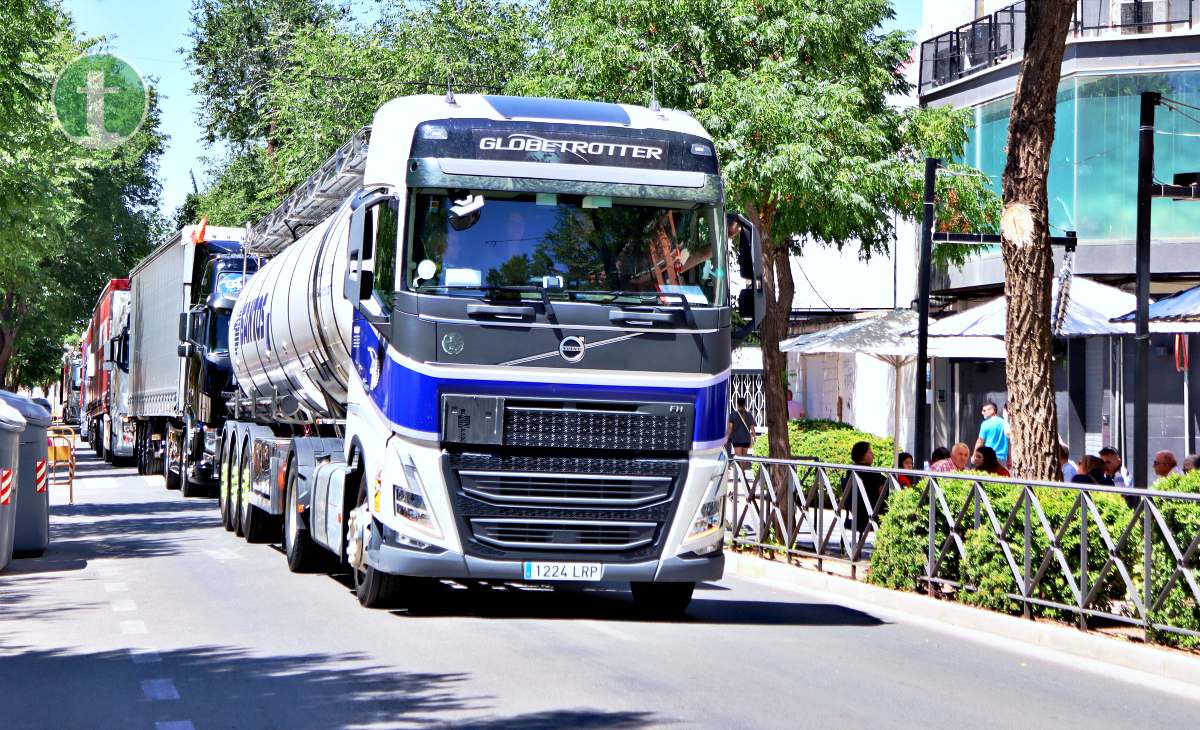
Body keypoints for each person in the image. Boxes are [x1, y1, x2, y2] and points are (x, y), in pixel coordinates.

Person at [842, 441, 886, 542]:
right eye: (870, 452)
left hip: (857, 513)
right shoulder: (871, 473)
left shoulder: (850, 471)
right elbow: (882, 492)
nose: (873, 455)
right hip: (872, 513)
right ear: (862, 455)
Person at [975, 400, 1010, 466]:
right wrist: (1009, 458)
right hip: (1003, 459)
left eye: (984, 410)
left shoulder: (985, 424)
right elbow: (1009, 443)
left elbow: (980, 442)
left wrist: (975, 456)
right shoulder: (1005, 423)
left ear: (992, 411)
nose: (982, 413)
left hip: (989, 458)